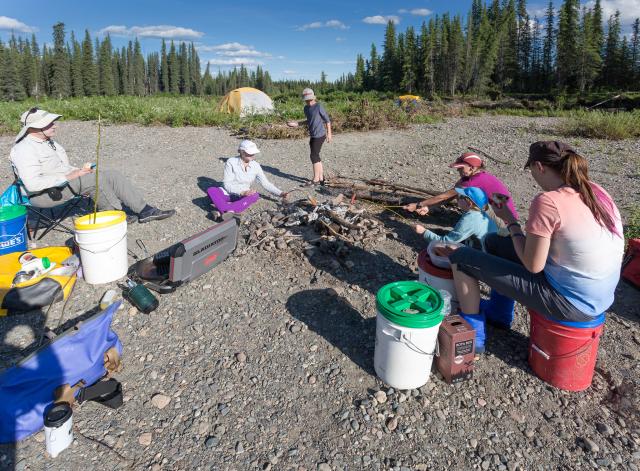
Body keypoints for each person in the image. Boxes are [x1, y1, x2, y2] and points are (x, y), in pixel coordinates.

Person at [446, 141, 624, 353]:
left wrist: (510, 220)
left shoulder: (548, 201)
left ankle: (474, 338)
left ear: (539, 167)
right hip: (599, 296)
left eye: (531, 170)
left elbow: (533, 265)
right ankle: (498, 313)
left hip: (571, 303)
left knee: (461, 256)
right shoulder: (596, 190)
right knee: (494, 243)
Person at [10, 108, 175, 224]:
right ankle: (116, 217)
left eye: (52, 122)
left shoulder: (48, 142)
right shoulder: (24, 149)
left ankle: (144, 210)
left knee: (111, 174)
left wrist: (79, 171)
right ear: (33, 128)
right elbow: (32, 184)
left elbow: (62, 167)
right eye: (48, 123)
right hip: (43, 195)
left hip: (61, 185)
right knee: (92, 180)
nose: (54, 125)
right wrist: (71, 176)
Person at [404, 152, 518, 218]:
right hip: (510, 218)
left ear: (472, 168)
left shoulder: (472, 182)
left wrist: (418, 204)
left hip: (503, 223)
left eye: (461, 168)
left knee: (462, 197)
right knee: (461, 195)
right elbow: (452, 194)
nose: (458, 171)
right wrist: (429, 207)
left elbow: (445, 196)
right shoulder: (479, 176)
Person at [207, 140, 288, 218]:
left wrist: (280, 193)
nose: (252, 155)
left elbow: (265, 183)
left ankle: (221, 211)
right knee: (211, 190)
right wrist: (242, 192)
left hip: (244, 195)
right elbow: (227, 184)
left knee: (255, 196)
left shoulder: (256, 166)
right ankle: (230, 210)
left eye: (253, 153)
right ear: (241, 152)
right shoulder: (231, 162)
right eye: (249, 153)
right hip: (227, 193)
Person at [414, 187, 497, 250]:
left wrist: (424, 232)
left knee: (444, 249)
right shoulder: (481, 212)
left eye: (461, 197)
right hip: (488, 247)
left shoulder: (469, 220)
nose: (457, 198)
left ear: (469, 203)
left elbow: (445, 242)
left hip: (482, 253)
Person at [301, 88, 332, 186]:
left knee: (313, 156)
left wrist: (329, 134)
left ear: (313, 98)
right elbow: (308, 121)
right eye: (307, 100)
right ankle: (321, 177)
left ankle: (315, 179)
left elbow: (327, 120)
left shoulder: (318, 106)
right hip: (312, 135)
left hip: (320, 135)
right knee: (316, 155)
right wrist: (296, 123)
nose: (309, 102)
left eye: (310, 100)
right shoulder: (306, 108)